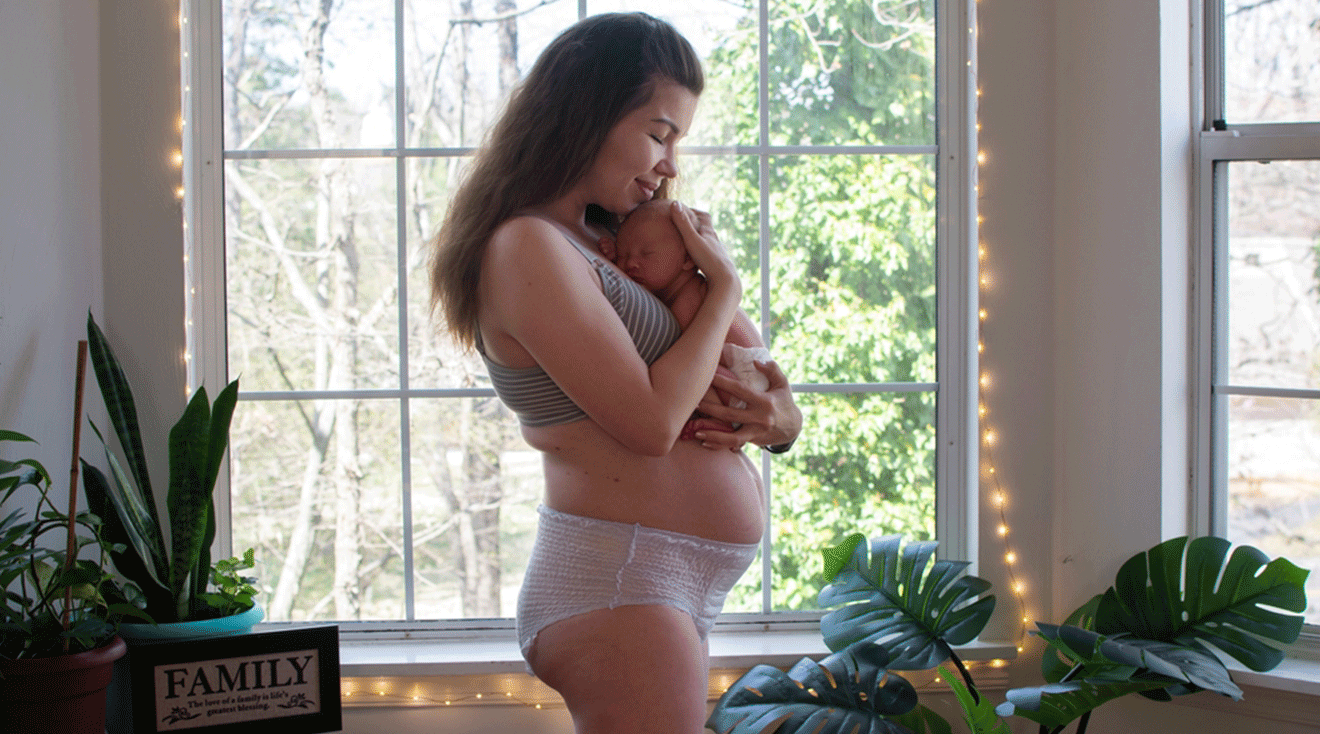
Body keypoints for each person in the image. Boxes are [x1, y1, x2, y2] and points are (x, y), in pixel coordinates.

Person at [429, 13, 802, 734]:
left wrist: (783, 425)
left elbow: (735, 364)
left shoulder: (603, 244)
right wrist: (722, 285)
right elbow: (651, 424)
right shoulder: (526, 247)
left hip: (654, 580)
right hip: (620, 576)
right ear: (587, 112)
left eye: (677, 143)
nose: (669, 165)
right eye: (660, 133)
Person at [606, 198, 774, 434]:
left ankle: (720, 421)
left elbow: (695, 363)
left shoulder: (690, 299)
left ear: (688, 259)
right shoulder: (678, 290)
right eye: (623, 254)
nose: (631, 263)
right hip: (749, 383)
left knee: (693, 365)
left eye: (646, 254)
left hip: (746, 380)